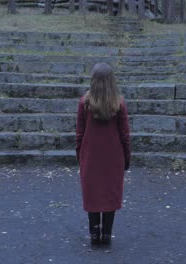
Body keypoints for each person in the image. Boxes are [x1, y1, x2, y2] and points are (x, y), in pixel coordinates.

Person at [75, 62, 131, 247]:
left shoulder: (84, 103)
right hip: (113, 158)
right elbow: (125, 135)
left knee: (92, 195)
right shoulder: (119, 104)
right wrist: (127, 158)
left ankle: (94, 234)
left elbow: (79, 134)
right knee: (109, 194)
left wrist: (80, 158)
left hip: (90, 157)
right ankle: (106, 235)